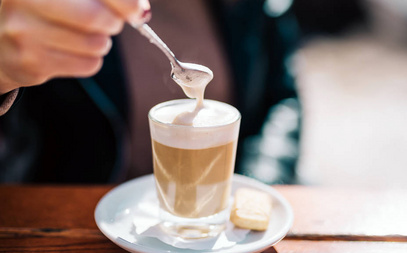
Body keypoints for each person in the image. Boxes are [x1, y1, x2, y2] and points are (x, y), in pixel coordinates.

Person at [0, 0, 302, 184]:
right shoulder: (58, 13)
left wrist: (257, 186)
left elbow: (282, 97)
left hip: (223, 223)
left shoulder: (251, 5)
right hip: (90, 227)